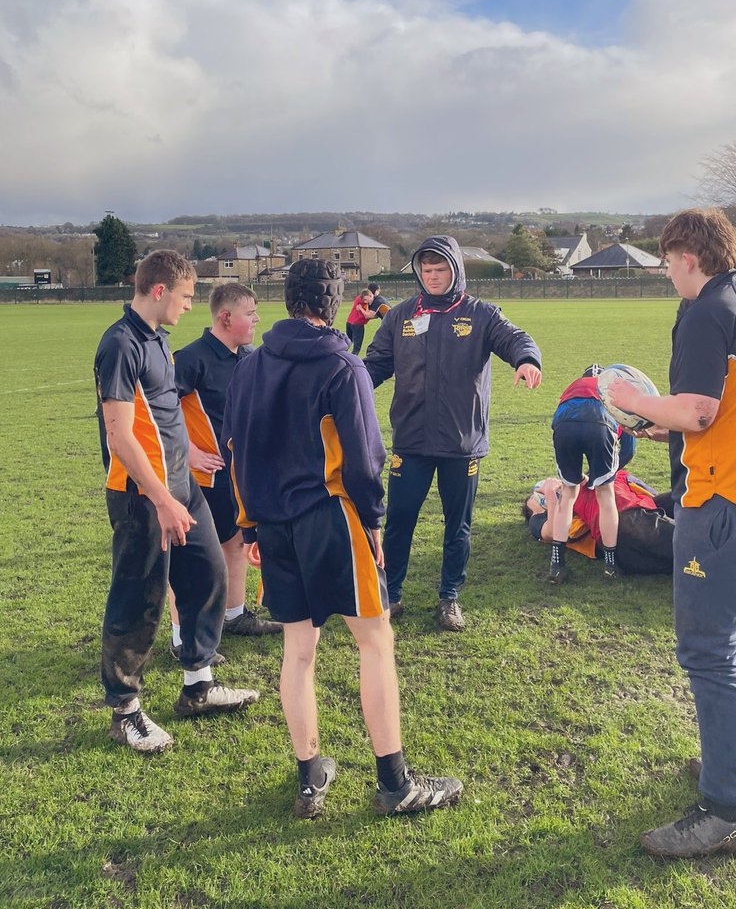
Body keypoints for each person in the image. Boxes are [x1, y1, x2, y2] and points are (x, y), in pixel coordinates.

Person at [223, 259, 463, 818]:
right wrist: (374, 522)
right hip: (331, 518)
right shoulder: (342, 365)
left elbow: (239, 452)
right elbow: (364, 461)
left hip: (276, 525)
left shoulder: (250, 366)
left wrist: (251, 525)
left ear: (287, 300)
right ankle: (394, 783)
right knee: (375, 641)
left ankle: (310, 778)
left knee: (298, 650)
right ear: (334, 302)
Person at [607, 208, 736, 859]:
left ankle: (724, 811)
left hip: (725, 506)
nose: (665, 273)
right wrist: (673, 427)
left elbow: (697, 406)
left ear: (690, 256)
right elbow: (724, 411)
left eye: (666, 261)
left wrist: (629, 398)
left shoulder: (704, 310)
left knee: (712, 653)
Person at [94, 250, 259, 754]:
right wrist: (162, 497)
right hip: (143, 497)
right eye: (187, 297)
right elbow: (120, 436)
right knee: (137, 602)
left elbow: (168, 419)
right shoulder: (120, 345)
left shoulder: (159, 341)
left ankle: (198, 686)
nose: (191, 306)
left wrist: (185, 477)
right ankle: (126, 712)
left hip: (182, 489)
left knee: (208, 574)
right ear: (160, 290)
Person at [363, 236, 542, 631]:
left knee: (456, 524)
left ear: (455, 270)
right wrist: (346, 387)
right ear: (417, 273)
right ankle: (391, 594)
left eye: (440, 269)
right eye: (426, 271)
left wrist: (527, 360)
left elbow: (516, 339)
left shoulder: (481, 314)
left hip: (462, 444)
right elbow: (374, 365)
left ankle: (449, 597)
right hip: (411, 440)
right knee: (399, 521)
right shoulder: (401, 316)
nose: (432, 277)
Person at [172, 283, 281, 651]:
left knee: (236, 541)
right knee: (193, 557)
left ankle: (235, 616)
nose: (257, 320)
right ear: (225, 317)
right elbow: (156, 408)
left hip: (240, 474)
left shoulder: (250, 357)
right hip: (204, 478)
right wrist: (187, 452)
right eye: (250, 313)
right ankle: (183, 637)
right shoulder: (192, 359)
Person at [524, 474, 736, 575]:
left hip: (640, 510)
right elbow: (551, 534)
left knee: (697, 502)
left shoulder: (585, 478)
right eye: (534, 497)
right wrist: (551, 496)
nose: (538, 492)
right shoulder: (551, 513)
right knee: (697, 548)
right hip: (625, 529)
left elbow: (638, 489)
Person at [546, 366, 637, 584]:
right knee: (605, 496)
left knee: (568, 494)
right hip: (600, 421)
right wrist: (598, 477)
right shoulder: (610, 391)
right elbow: (628, 449)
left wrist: (581, 477)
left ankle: (557, 564)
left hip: (565, 424)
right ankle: (610, 565)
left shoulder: (572, 388)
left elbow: (558, 421)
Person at [345, 288, 376, 354]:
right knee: (357, 347)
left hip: (349, 322)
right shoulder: (364, 302)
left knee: (348, 342)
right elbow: (367, 315)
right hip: (357, 324)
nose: (365, 301)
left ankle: (341, 356)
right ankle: (352, 361)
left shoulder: (358, 298)